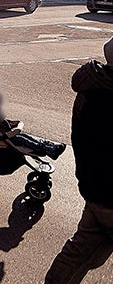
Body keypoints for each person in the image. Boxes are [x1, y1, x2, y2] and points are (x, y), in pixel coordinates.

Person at [44, 37, 113, 283]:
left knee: (80, 251)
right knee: (81, 252)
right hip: (107, 191)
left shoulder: (94, 85)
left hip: (96, 189)